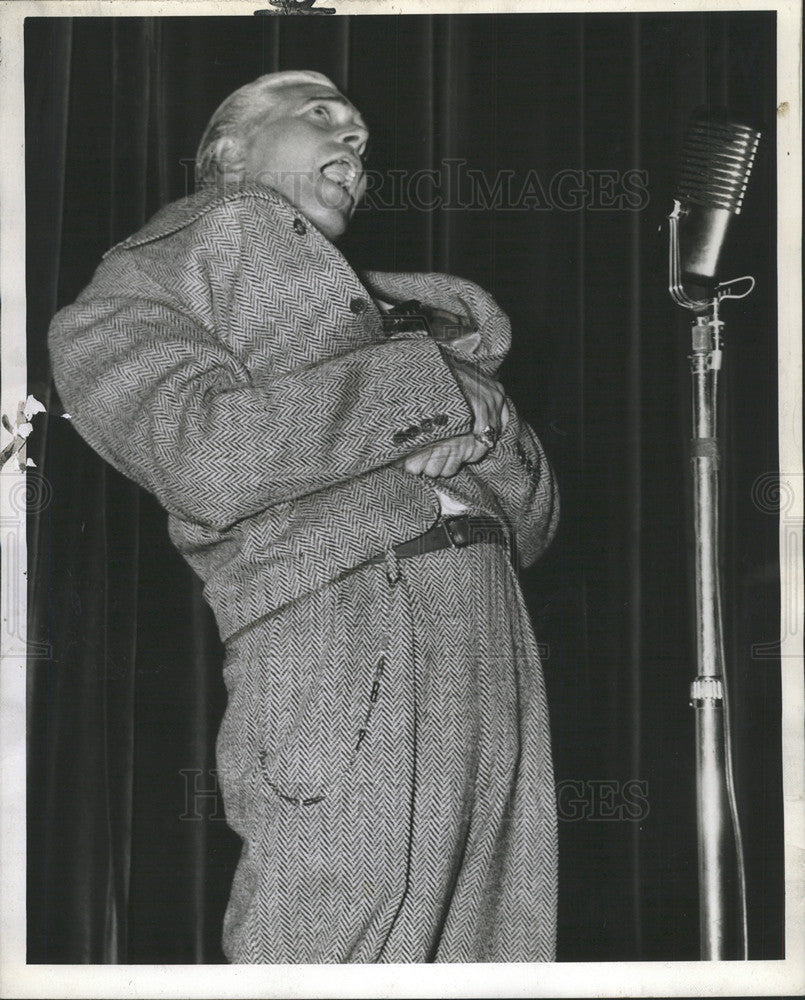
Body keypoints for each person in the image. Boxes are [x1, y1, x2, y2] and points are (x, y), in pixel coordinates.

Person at [48, 70, 560, 964]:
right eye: (322, 117)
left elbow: (536, 525)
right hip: (342, 629)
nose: (355, 144)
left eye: (361, 137)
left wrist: (489, 420)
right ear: (227, 150)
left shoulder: (416, 320)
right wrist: (425, 391)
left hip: (491, 635)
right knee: (326, 944)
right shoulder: (132, 290)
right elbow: (205, 456)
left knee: (493, 956)